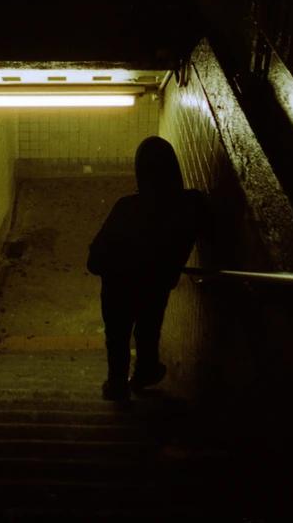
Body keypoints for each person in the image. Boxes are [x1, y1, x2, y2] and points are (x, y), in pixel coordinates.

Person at [87, 136, 204, 401]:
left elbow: (95, 260)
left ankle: (117, 385)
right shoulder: (190, 206)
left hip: (118, 287)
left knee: (117, 336)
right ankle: (144, 373)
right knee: (148, 330)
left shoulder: (127, 207)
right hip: (156, 285)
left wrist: (112, 264)